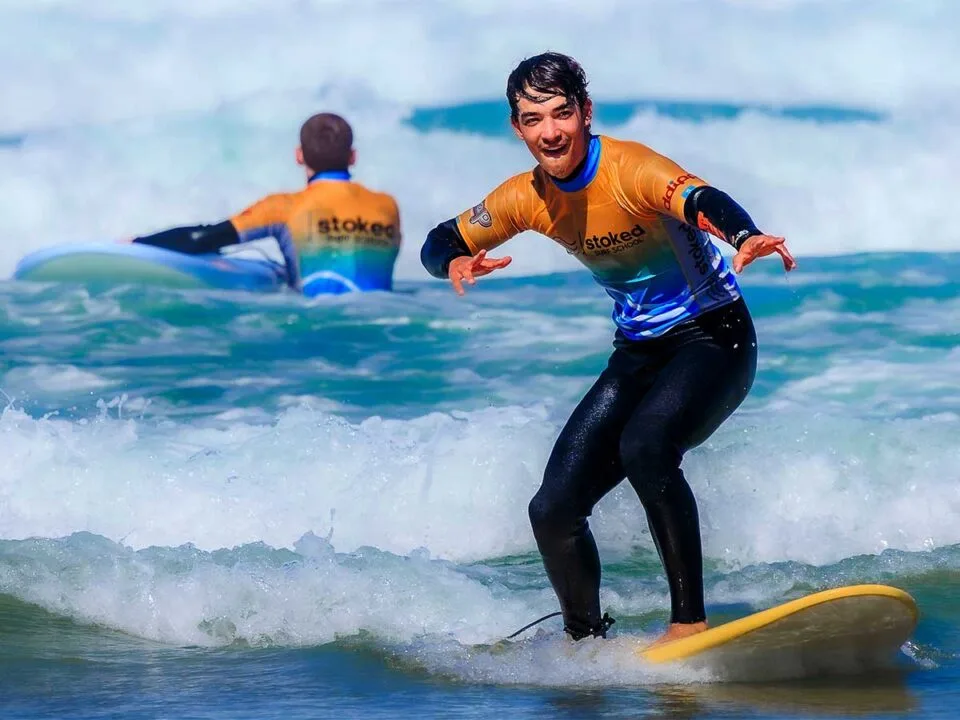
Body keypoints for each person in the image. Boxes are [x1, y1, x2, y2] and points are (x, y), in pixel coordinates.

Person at [420, 53, 796, 647]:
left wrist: (745, 236)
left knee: (647, 445)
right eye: (532, 119)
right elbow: (440, 239)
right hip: (639, 352)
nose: (550, 131)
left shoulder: (630, 169)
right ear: (517, 128)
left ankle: (688, 623)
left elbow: (702, 200)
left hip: (715, 338)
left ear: (585, 113)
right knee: (552, 509)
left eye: (562, 113)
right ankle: (584, 642)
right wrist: (454, 262)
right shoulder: (526, 197)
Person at [132, 113, 402, 296]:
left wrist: (138, 242)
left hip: (318, 322)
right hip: (383, 315)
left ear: (299, 156)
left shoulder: (285, 207)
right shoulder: (387, 207)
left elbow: (203, 238)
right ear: (353, 156)